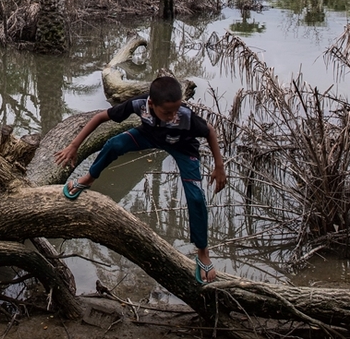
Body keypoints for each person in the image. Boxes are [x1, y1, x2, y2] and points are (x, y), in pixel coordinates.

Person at [53, 75, 228, 284]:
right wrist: (74, 145)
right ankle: (88, 179)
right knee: (114, 144)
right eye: (167, 112)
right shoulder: (139, 104)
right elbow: (100, 117)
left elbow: (209, 131)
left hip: (183, 147)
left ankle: (203, 253)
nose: (173, 116)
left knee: (196, 198)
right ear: (151, 104)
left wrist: (219, 166)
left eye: (176, 110)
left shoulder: (185, 116)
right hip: (148, 136)